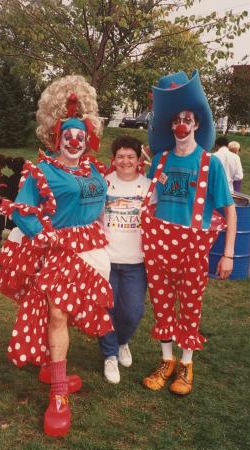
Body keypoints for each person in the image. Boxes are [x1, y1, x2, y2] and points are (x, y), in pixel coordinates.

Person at [0, 75, 113, 437]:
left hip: (94, 253)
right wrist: (43, 235)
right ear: (56, 137)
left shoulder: (95, 170)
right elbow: (22, 210)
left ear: (88, 137)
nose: (74, 142)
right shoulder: (41, 170)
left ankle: (51, 365)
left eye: (80, 136)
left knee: (68, 314)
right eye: (68, 136)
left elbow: (103, 208)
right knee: (59, 313)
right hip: (58, 252)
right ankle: (59, 393)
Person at [142, 70, 237, 396]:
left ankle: (186, 364)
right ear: (171, 125)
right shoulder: (160, 159)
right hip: (158, 245)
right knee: (162, 303)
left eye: (188, 119)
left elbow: (229, 211)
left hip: (192, 247)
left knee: (190, 306)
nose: (181, 125)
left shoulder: (211, 164)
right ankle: (166, 360)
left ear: (196, 125)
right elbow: (148, 200)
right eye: (176, 120)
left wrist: (227, 254)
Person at [99, 136, 152, 384]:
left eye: (131, 156)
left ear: (139, 159)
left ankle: (121, 342)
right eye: (121, 156)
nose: (126, 161)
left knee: (132, 312)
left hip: (137, 262)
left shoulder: (149, 187)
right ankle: (110, 355)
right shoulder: (103, 184)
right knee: (106, 309)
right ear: (114, 159)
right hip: (107, 259)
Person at [5, 156, 25, 230]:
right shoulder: (26, 178)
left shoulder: (11, 178)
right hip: (23, 206)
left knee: (13, 229)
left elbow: (8, 194)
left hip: (13, 207)